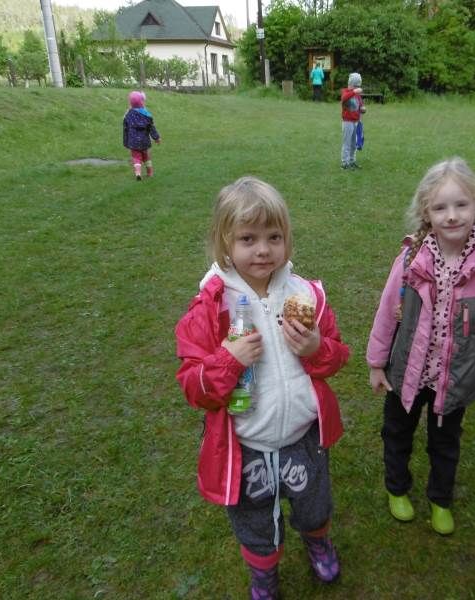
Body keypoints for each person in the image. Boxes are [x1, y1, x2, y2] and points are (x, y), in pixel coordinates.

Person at [174, 177, 350, 599]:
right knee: (255, 523)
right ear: (224, 243)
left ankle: (317, 541)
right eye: (248, 239)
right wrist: (229, 359)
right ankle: (264, 574)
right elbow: (194, 387)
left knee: (314, 506)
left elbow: (337, 356)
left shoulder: (306, 294)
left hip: (303, 437)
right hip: (248, 444)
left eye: (274, 237)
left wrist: (315, 348)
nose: (263, 250)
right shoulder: (210, 308)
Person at [366, 157, 475, 536]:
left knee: (446, 443)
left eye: (461, 205)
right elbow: (387, 313)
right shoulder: (410, 261)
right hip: (407, 372)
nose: (452, 215)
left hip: (453, 378)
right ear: (426, 212)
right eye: (440, 207)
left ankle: (440, 499)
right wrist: (376, 363)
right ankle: (397, 488)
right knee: (397, 433)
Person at [122, 90, 161, 181]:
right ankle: (150, 173)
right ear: (142, 102)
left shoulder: (127, 115)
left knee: (136, 158)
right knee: (146, 156)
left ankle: (138, 173)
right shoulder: (147, 115)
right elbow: (151, 128)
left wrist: (126, 141)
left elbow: (125, 129)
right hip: (144, 141)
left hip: (133, 141)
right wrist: (156, 138)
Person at [340, 72, 366, 170]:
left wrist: (363, 108)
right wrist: (354, 91)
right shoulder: (346, 92)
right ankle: (345, 163)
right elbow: (344, 98)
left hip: (356, 121)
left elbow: (360, 104)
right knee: (347, 143)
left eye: (358, 86)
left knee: (353, 144)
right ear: (351, 84)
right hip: (347, 122)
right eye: (356, 86)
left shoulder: (357, 95)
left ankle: (352, 161)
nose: (357, 88)